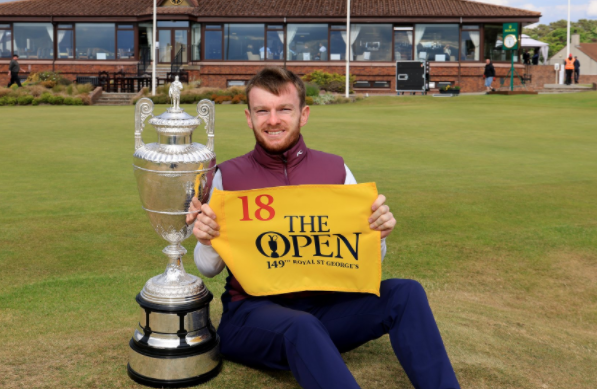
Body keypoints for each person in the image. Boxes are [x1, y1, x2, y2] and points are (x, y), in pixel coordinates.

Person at [186, 67, 460, 389]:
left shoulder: (335, 169)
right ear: (249, 117)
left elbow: (361, 257)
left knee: (405, 293)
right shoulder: (227, 176)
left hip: (324, 310)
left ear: (303, 114)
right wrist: (206, 240)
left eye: (284, 109)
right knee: (301, 326)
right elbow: (208, 269)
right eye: (263, 110)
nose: (273, 120)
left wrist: (378, 234)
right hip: (252, 314)